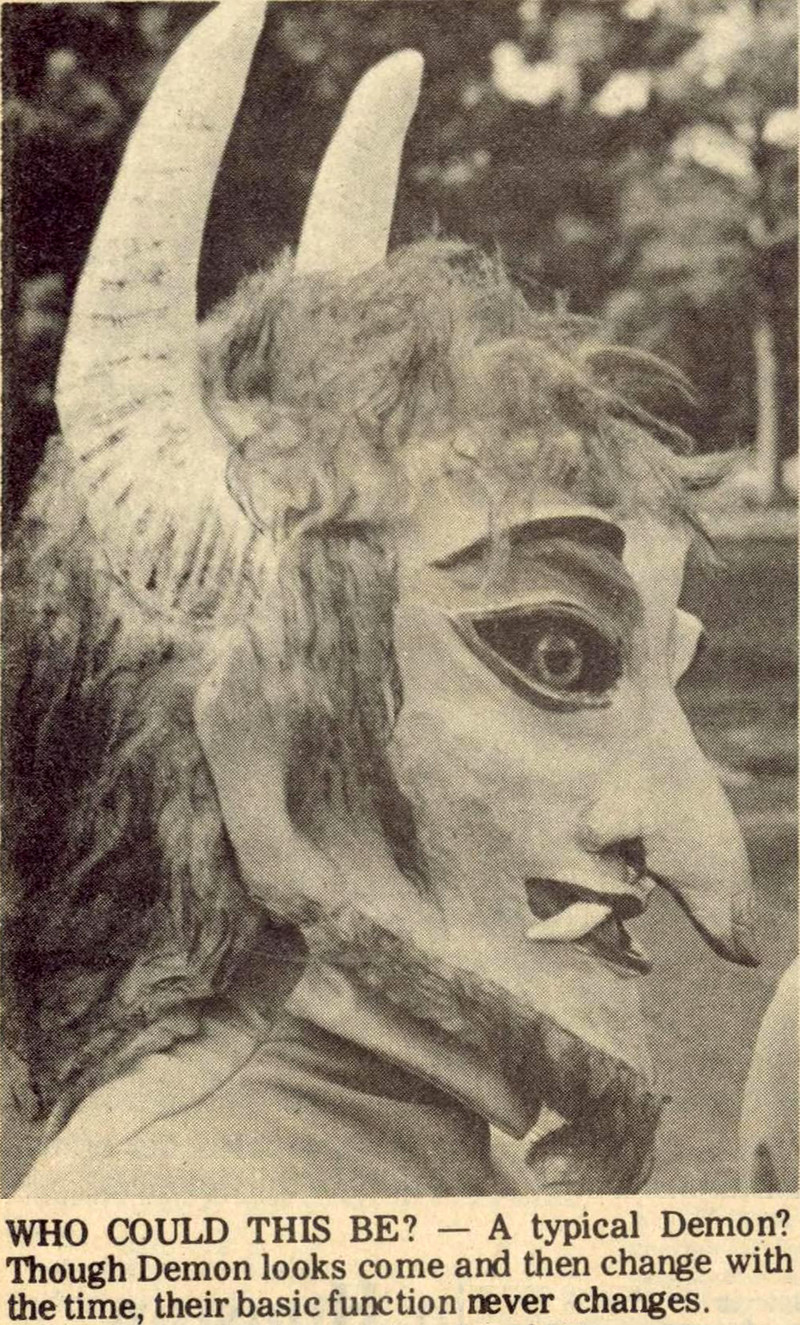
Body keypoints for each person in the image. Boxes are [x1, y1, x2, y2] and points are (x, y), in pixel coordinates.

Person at [7, 1, 757, 1199]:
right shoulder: (171, 1204)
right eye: (556, 655)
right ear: (257, 732)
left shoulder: (428, 1147)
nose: (700, 853)